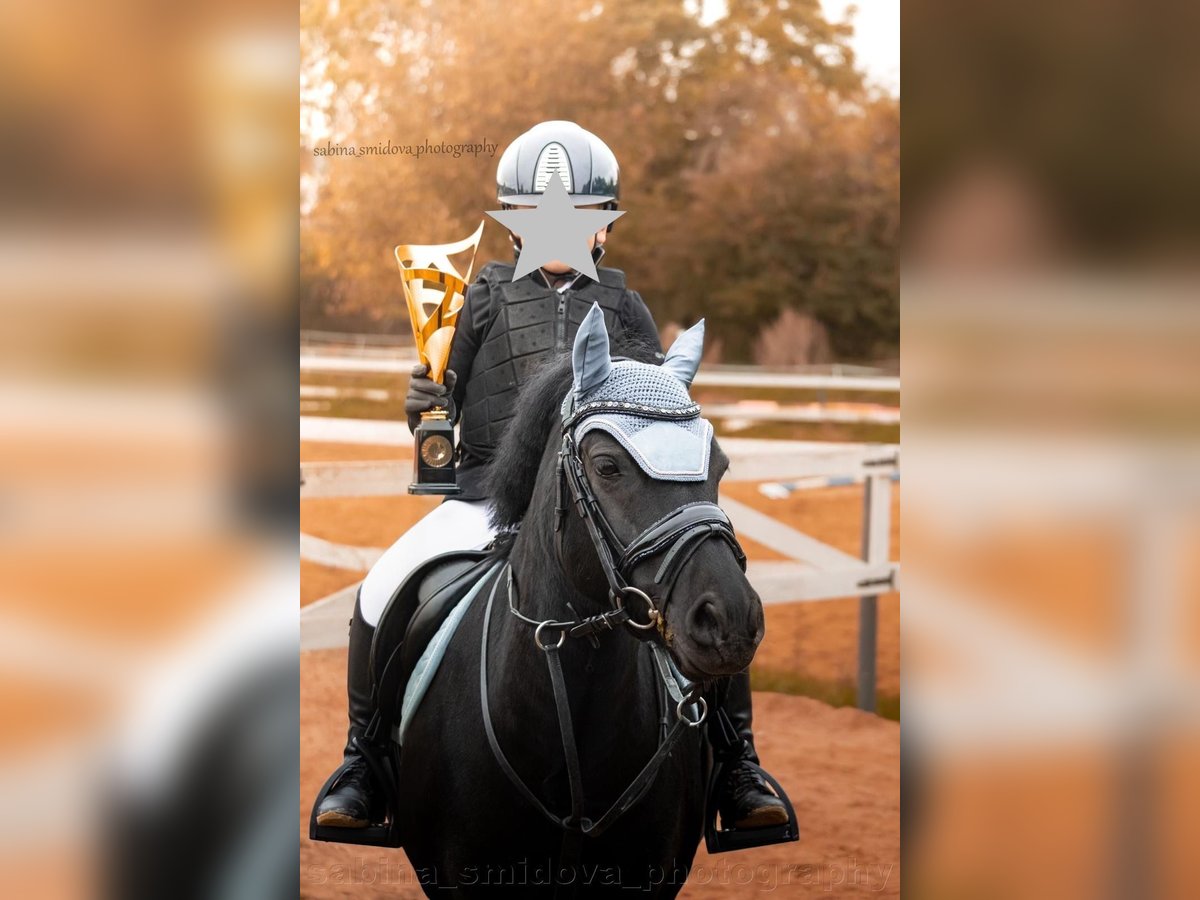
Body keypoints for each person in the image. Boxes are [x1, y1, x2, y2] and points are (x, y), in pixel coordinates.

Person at [316, 120, 787, 834]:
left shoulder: (626, 308)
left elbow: (651, 414)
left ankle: (736, 762)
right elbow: (443, 405)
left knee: (702, 590)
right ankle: (366, 761)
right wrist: (423, 406)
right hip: (486, 498)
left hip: (600, 505)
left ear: (605, 228)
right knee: (384, 586)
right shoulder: (476, 302)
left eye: (583, 218)